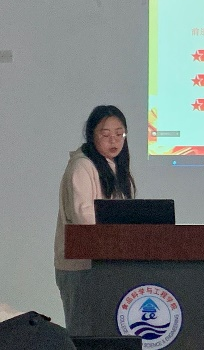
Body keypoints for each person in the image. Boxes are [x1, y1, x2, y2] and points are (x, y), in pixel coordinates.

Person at [54, 105, 136, 335]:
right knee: (84, 332)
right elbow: (84, 217)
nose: (114, 140)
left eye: (119, 134)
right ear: (92, 135)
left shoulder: (115, 166)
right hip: (81, 265)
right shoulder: (82, 166)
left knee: (106, 332)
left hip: (106, 264)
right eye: (105, 134)